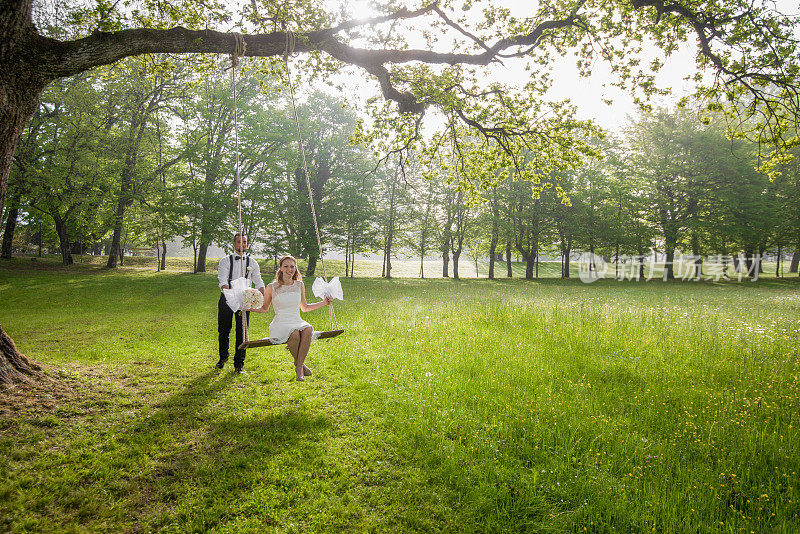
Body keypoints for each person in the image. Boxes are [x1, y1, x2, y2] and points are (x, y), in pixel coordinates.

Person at [253, 255, 332, 381]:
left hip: (296, 320)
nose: (289, 269)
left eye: (292, 266)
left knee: (308, 329)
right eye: (286, 266)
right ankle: (300, 366)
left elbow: (304, 307)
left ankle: (299, 366)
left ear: (295, 268)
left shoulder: (299, 285)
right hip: (281, 322)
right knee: (294, 334)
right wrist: (248, 308)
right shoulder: (271, 287)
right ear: (280, 268)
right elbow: (264, 308)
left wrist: (324, 303)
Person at [216, 233, 265, 374]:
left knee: (242, 333)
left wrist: (262, 295)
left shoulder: (252, 263)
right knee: (224, 330)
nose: (242, 245)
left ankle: (239, 364)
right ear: (233, 243)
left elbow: (259, 281)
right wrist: (232, 296)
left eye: (244, 242)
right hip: (227, 298)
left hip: (245, 301)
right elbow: (223, 281)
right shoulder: (225, 261)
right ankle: (223, 357)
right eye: (239, 242)